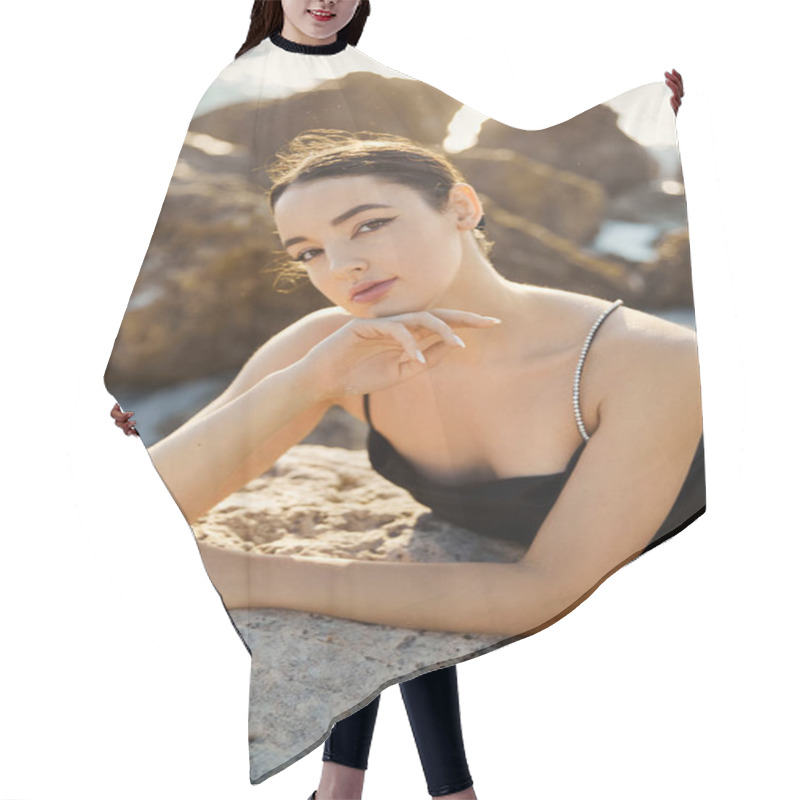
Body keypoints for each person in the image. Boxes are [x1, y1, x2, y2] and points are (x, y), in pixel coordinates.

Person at [109, 4, 700, 799]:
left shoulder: (646, 363)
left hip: (655, 591)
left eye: (371, 224)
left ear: (462, 206)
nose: (344, 266)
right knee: (406, 579)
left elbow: (544, 588)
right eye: (310, 252)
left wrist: (242, 573)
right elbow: (140, 515)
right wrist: (307, 384)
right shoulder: (336, 346)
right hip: (465, 564)